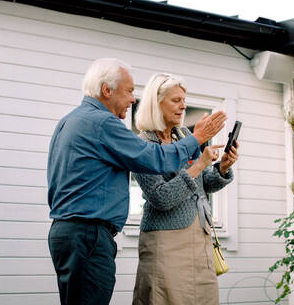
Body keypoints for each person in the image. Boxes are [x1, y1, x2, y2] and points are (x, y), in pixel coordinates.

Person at [47, 58, 227, 305]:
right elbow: (153, 159)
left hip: (71, 232)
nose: (133, 99)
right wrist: (198, 138)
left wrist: (218, 165)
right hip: (88, 235)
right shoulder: (102, 123)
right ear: (106, 90)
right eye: (129, 91)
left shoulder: (70, 121)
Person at [132, 73, 239, 305]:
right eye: (176, 100)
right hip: (166, 241)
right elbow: (161, 198)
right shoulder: (142, 145)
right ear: (156, 103)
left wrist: (221, 168)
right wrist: (200, 163)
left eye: (184, 99)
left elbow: (200, 186)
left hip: (199, 237)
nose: (183, 105)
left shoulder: (184, 136)